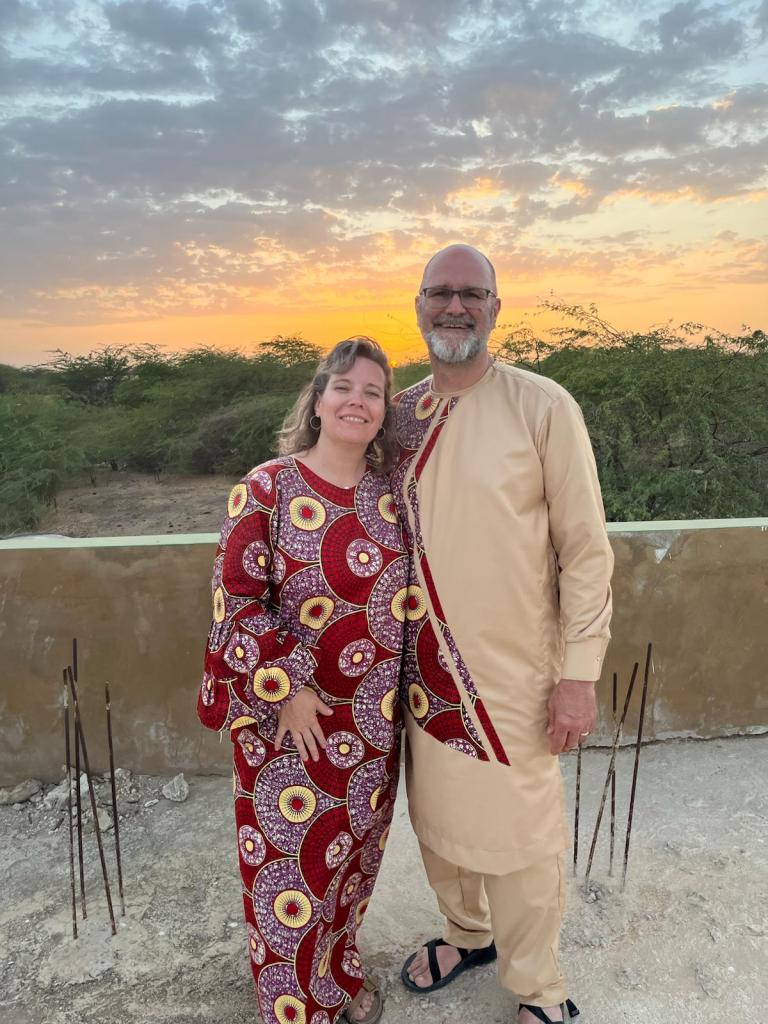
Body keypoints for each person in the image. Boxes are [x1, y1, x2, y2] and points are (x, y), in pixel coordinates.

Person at [393, 245, 614, 1023]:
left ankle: (540, 987)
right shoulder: (399, 417)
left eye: (471, 294)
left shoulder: (541, 406)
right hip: (420, 671)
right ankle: (468, 934)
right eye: (440, 293)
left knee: (520, 838)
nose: (454, 307)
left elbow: (586, 549)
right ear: (419, 305)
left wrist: (578, 674)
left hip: (517, 673)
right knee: (438, 821)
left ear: (495, 307)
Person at [198, 337, 410, 1024]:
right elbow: (235, 599)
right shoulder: (267, 488)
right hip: (290, 722)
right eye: (343, 387)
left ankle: (337, 975)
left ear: (384, 412)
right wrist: (288, 687)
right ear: (317, 401)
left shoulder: (391, 496)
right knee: (289, 876)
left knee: (350, 864)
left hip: (371, 721)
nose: (357, 401)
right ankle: (295, 1008)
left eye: (373, 392)